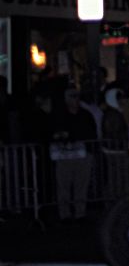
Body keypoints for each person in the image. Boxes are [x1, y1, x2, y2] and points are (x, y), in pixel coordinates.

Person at [50, 87, 98, 223]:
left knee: (81, 184)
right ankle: (64, 213)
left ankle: (80, 212)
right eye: (72, 96)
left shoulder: (85, 115)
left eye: (77, 96)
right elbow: (53, 133)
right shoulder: (60, 115)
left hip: (83, 155)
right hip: (64, 155)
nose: (76, 99)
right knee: (63, 184)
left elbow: (92, 133)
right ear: (66, 99)